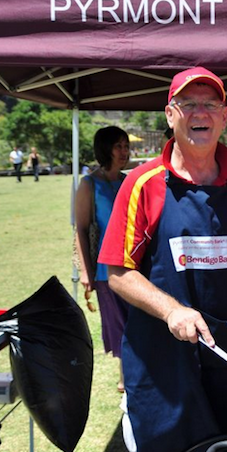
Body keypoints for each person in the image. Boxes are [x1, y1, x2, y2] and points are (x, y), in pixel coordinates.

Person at [99, 67, 227, 452]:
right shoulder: (142, 184)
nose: (200, 113)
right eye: (189, 104)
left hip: (225, 352)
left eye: (210, 104)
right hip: (162, 359)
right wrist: (172, 310)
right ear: (170, 115)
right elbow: (117, 272)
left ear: (225, 116)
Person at [74, 127, 130, 394]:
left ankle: (133, 371)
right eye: (118, 146)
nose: (124, 152)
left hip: (133, 266)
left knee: (136, 321)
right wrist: (85, 270)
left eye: (126, 146)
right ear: (105, 149)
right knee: (117, 322)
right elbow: (81, 229)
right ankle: (125, 375)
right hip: (105, 269)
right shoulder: (88, 184)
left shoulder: (129, 180)